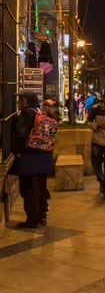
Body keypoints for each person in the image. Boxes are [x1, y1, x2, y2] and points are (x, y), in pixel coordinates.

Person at [10, 91, 55, 228]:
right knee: (40, 188)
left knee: (29, 190)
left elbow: (21, 135)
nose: (18, 103)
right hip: (43, 157)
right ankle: (42, 216)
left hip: (29, 159)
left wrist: (17, 152)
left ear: (25, 101)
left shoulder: (27, 114)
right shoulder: (40, 111)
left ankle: (32, 219)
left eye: (19, 100)